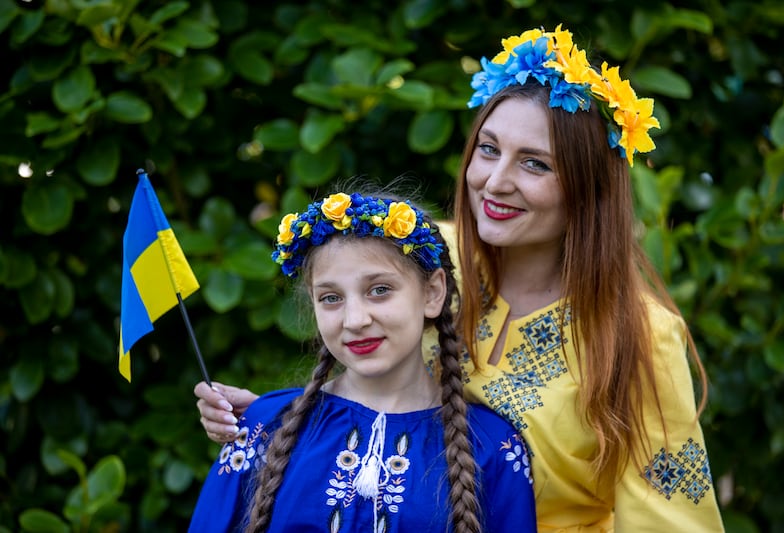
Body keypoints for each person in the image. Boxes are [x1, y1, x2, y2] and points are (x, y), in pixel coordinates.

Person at [194, 25, 725, 531]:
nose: (495, 182)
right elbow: (363, 357)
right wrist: (279, 418)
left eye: (534, 164)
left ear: (588, 189)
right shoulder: (427, 257)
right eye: (489, 150)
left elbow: (673, 518)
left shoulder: (638, 335)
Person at [189, 191, 537, 532]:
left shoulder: (493, 447)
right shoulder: (267, 428)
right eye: (331, 298)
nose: (354, 319)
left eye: (380, 290)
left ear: (432, 293)